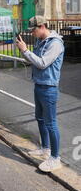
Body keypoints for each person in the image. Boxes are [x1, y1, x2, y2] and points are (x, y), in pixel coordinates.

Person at [16, 16, 64, 173]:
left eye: (34, 30)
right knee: (40, 118)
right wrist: (24, 51)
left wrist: (25, 50)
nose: (32, 33)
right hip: (39, 85)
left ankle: (55, 158)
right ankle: (45, 148)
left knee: (51, 123)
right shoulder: (40, 41)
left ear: (42, 26)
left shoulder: (55, 44)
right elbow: (34, 60)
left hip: (49, 88)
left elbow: (42, 63)